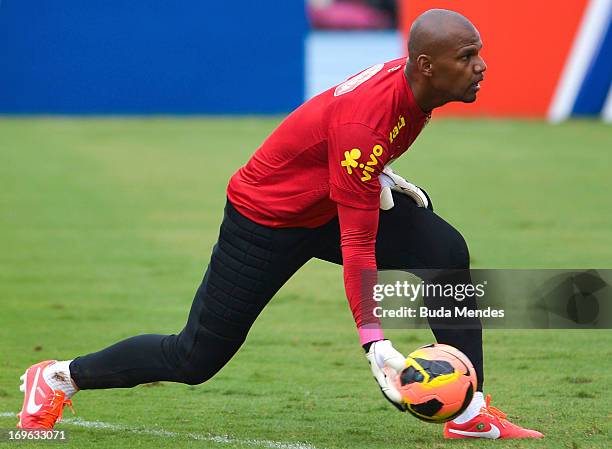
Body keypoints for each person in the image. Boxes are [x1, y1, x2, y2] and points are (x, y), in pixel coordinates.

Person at [17, 9, 543, 439]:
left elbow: (342, 137)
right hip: (266, 218)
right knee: (195, 357)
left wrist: (376, 171)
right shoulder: (369, 124)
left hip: (332, 195)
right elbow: (358, 243)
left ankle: (470, 411)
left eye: (479, 52)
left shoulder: (410, 88)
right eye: (468, 56)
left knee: (446, 253)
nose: (482, 66)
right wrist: (374, 342)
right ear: (426, 65)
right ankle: (59, 378)